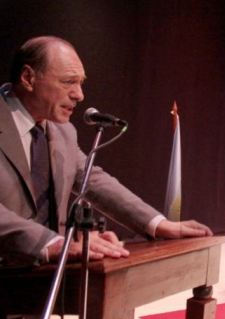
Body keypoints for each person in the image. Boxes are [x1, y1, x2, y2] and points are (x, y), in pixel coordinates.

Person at [0, 36, 213, 265]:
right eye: (68, 82)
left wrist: (158, 224)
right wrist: (50, 242)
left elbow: (94, 180)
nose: (79, 95)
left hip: (50, 279)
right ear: (28, 78)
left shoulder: (63, 132)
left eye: (80, 82)